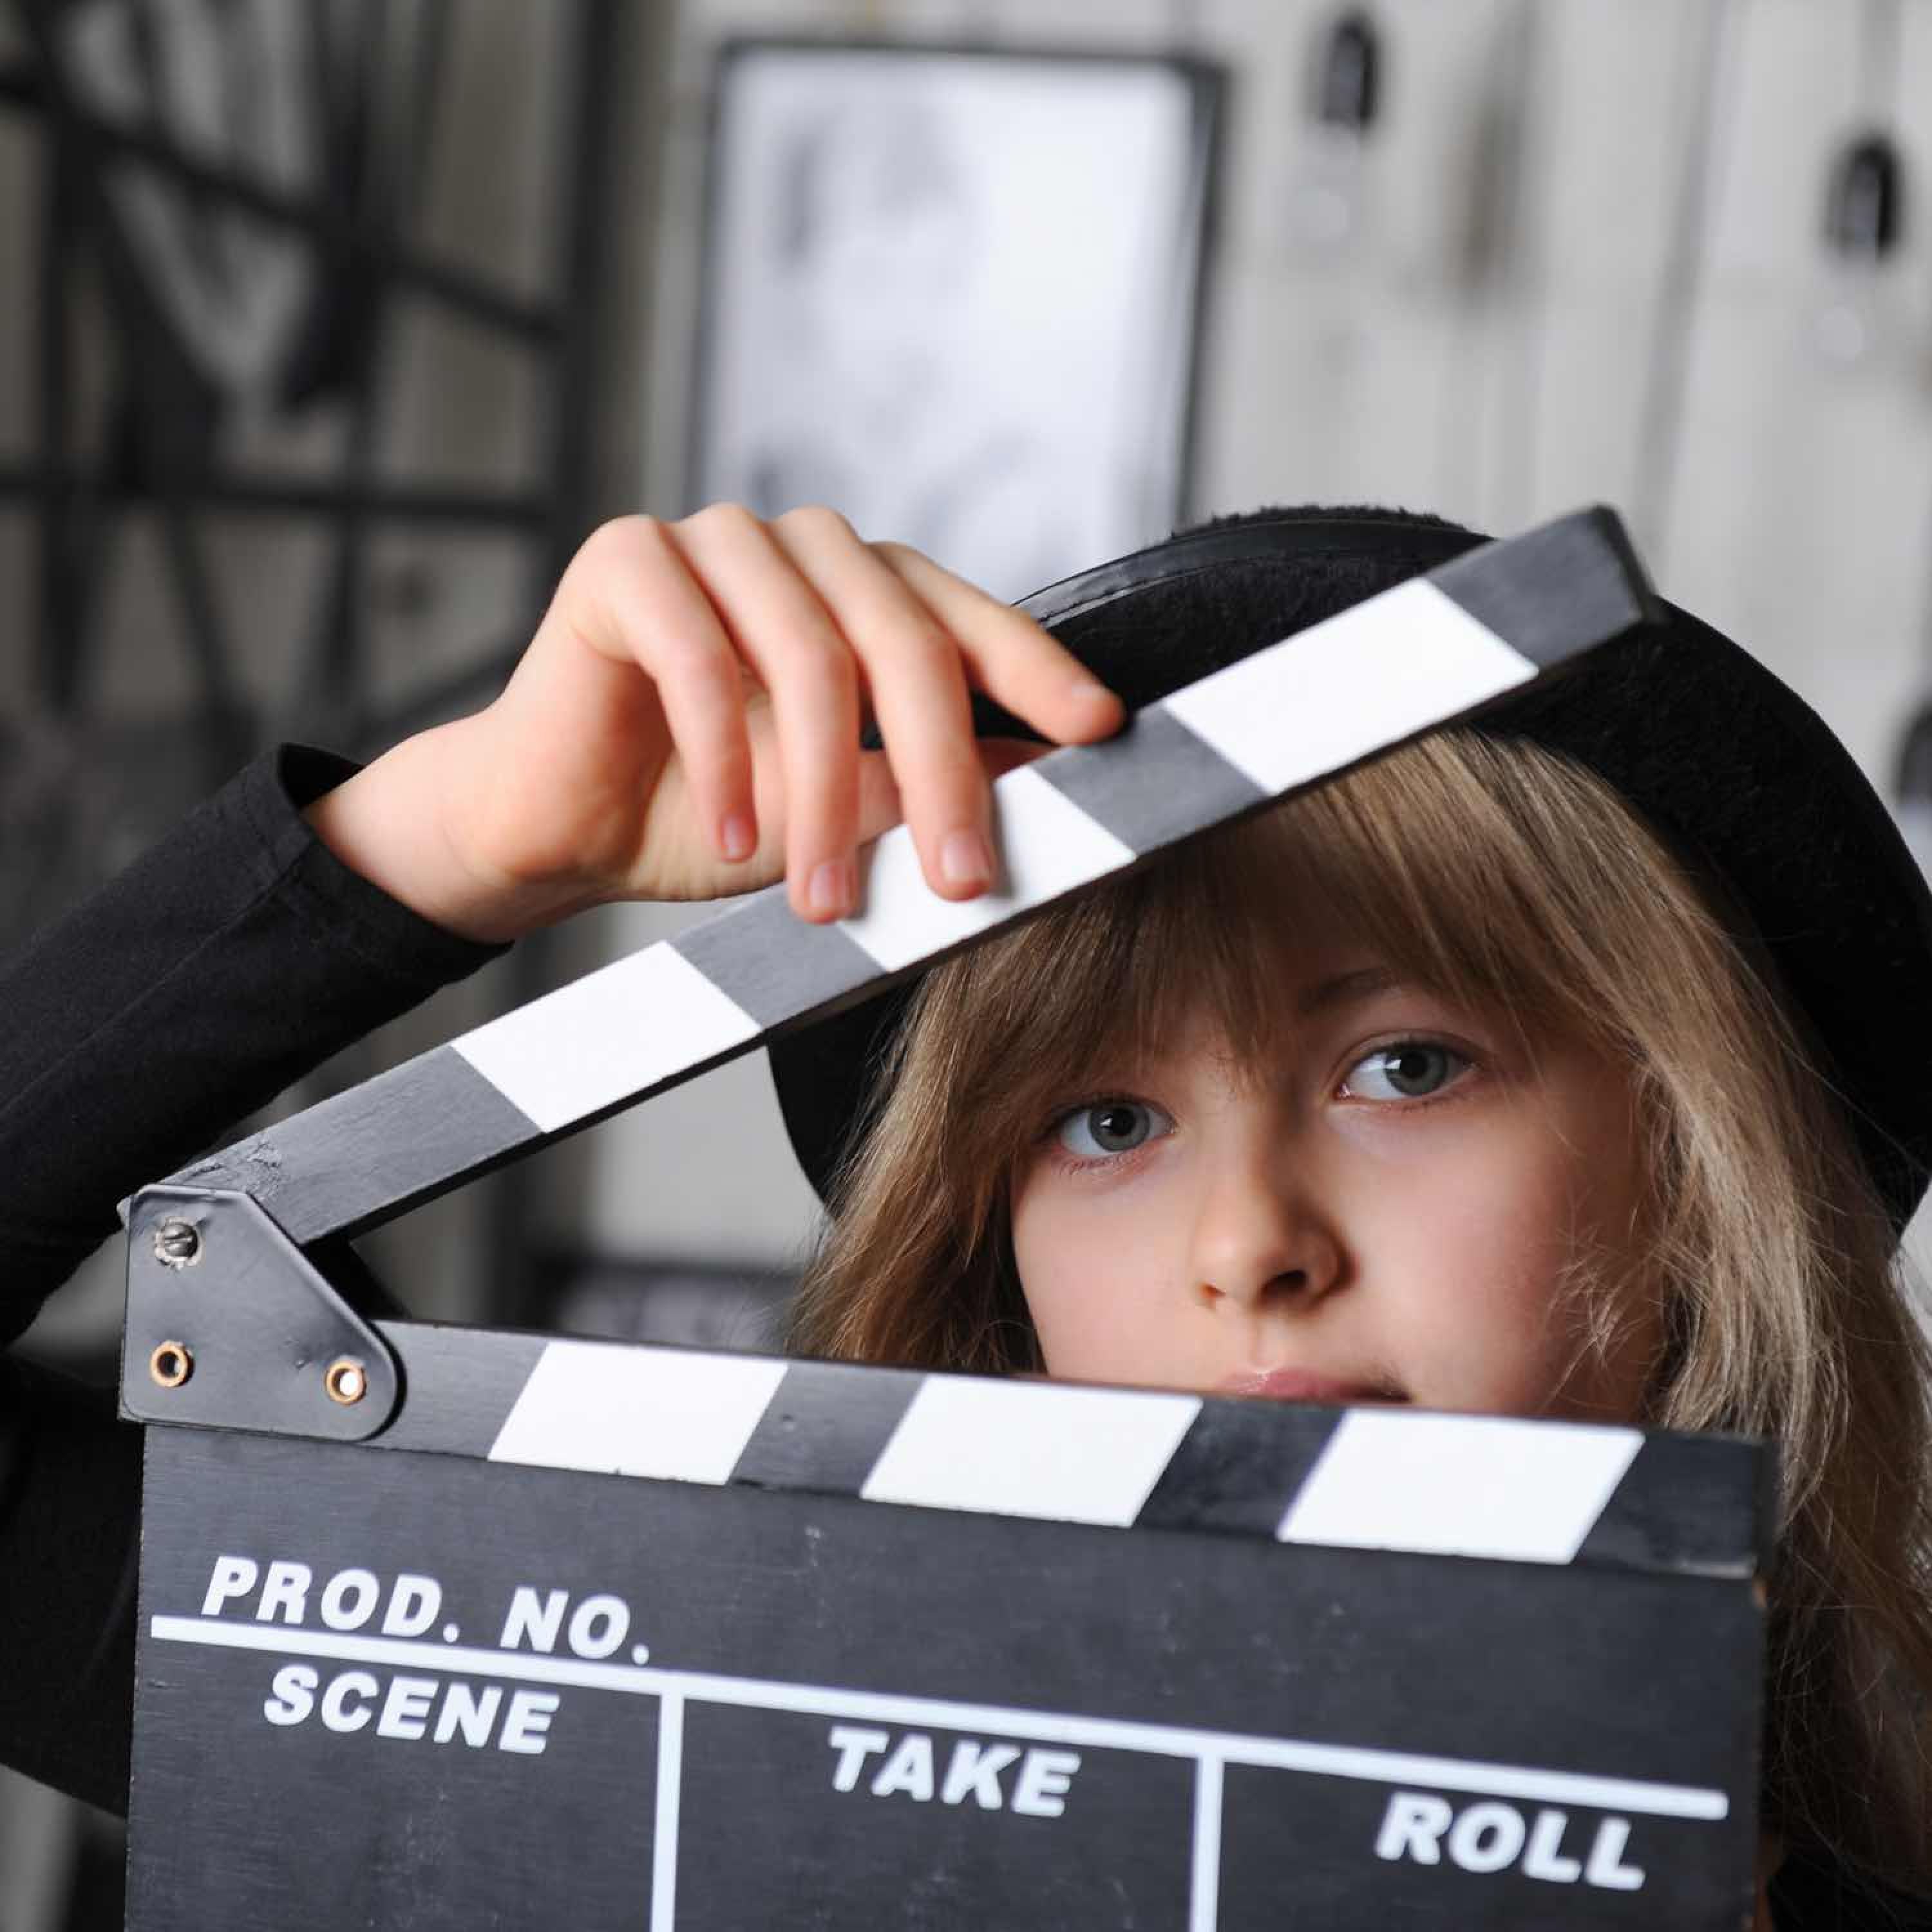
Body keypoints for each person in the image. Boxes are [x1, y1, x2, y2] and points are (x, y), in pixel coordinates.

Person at [1, 503, 1927, 1930]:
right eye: (1105, 1118)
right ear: (986, 1258)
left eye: (1407, 1067)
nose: (1246, 1241)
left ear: (1694, 1162)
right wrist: (443, 844)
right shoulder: (646, 1742)